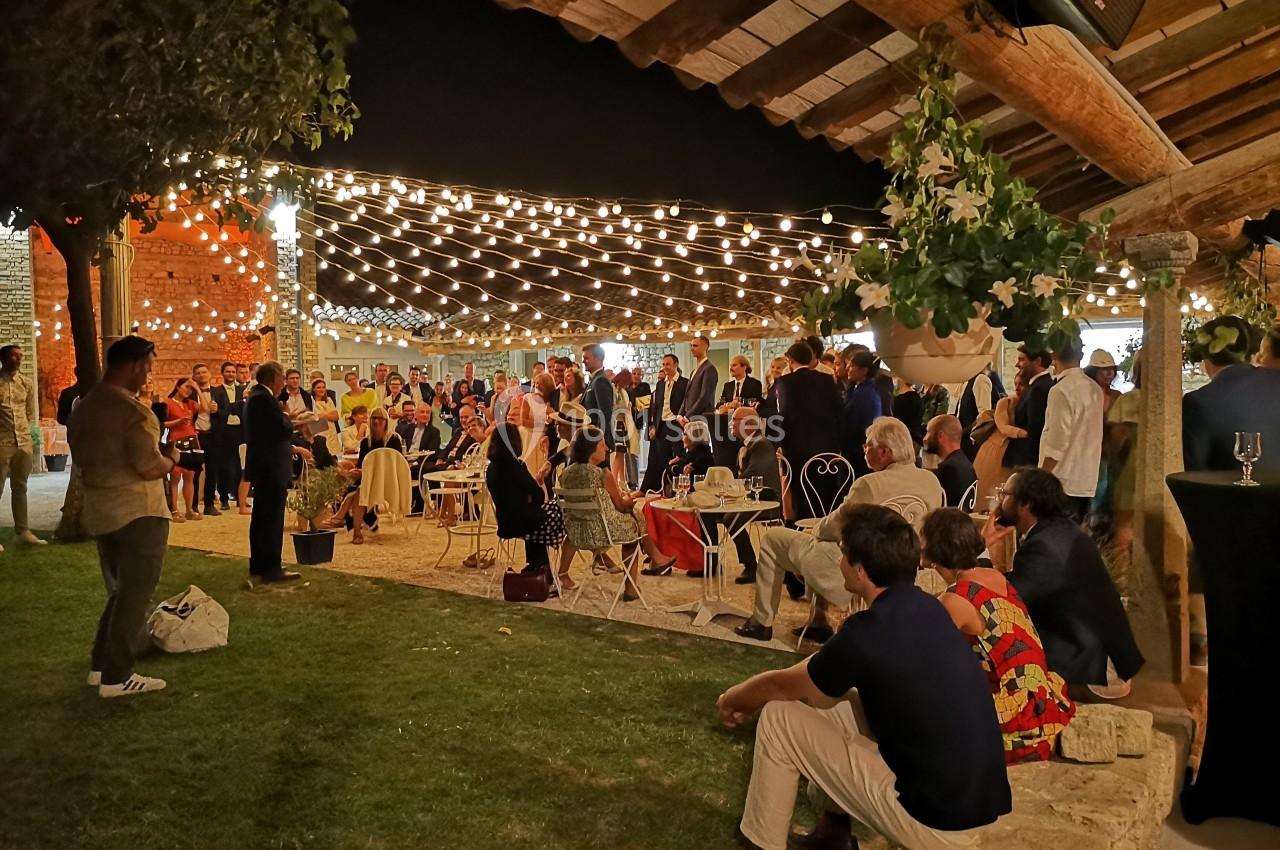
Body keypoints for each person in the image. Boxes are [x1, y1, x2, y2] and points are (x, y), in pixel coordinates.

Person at [720, 504, 1011, 850]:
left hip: (934, 821)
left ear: (859, 571)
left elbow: (779, 685)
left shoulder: (868, 632)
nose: (839, 561)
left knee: (779, 717)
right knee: (836, 705)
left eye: (842, 554)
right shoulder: (930, 607)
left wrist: (732, 701)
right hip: (970, 806)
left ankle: (761, 843)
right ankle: (833, 835)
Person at [736, 417, 943, 642]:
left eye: (868, 445)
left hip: (859, 572)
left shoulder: (870, 484)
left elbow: (835, 526)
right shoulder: (930, 481)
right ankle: (818, 620)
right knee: (827, 544)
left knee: (774, 538)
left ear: (884, 452)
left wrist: (812, 531)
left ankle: (762, 622)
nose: (864, 450)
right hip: (907, 571)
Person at [69, 336, 177, 698]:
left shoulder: (83, 407)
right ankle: (118, 676)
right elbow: (148, 465)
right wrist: (172, 460)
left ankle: (100, 667)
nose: (149, 372)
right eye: (147, 365)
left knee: (120, 593)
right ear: (133, 365)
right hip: (138, 511)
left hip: (102, 509)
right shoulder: (132, 411)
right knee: (136, 594)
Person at [922, 508, 1075, 763]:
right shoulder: (993, 576)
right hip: (1038, 698)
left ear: (932, 552)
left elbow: (920, 652)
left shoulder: (954, 600)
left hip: (1011, 712)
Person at [984, 469, 1144, 699]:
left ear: (1025, 503)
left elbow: (1002, 601)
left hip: (1094, 671)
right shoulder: (1058, 532)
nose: (999, 501)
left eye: (1004, 494)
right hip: (1094, 652)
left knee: (994, 653)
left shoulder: (1046, 547)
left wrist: (984, 552)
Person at [560, 426, 672, 600]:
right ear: (591, 449)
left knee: (634, 519)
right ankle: (632, 588)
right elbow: (620, 506)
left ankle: (657, 558)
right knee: (633, 528)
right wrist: (628, 500)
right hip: (602, 533)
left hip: (576, 533)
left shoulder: (566, 474)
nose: (607, 448)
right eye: (602, 445)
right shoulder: (602, 474)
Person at [1183, 314, 1280, 474]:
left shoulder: (1199, 402)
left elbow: (1196, 476)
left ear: (1206, 360)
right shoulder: (1276, 379)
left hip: (1237, 497)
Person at [486, 422, 572, 582]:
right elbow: (538, 495)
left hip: (505, 523)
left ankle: (536, 565)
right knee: (561, 509)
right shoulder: (516, 466)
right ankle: (546, 569)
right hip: (525, 522)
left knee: (540, 513)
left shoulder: (491, 469)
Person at [243, 362, 301, 582]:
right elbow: (280, 428)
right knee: (270, 519)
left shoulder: (257, 397)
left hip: (266, 465)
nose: (284, 382)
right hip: (270, 466)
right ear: (274, 377)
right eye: (283, 377)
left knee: (262, 517)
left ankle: (260, 565)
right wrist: (287, 416)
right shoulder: (262, 399)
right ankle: (270, 567)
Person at [775, 342, 841, 520]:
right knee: (825, 493)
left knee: (801, 494)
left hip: (797, 447)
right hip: (827, 447)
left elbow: (783, 416)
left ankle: (802, 528)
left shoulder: (784, 382)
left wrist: (782, 445)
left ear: (790, 360)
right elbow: (838, 411)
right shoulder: (827, 380)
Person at [1040, 338, 1103, 523]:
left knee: (1056, 537)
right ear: (1081, 355)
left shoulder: (1061, 390)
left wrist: (1041, 476)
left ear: (1054, 356)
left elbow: (1057, 442)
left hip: (1061, 480)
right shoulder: (1094, 388)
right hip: (1086, 477)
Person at [721, 407, 781, 585]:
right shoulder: (749, 445)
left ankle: (751, 565)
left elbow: (753, 477)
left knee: (731, 517)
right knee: (708, 512)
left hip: (765, 499)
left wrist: (729, 488)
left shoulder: (761, 444)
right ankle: (708, 560)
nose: (731, 423)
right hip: (750, 497)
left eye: (734, 420)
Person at [327, 407, 403, 544]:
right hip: (367, 480)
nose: (377, 421)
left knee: (361, 491)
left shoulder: (394, 439)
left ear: (386, 421)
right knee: (359, 489)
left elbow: (394, 466)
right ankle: (356, 531)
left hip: (387, 480)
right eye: (374, 418)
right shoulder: (365, 442)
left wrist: (368, 472)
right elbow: (361, 464)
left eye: (380, 419)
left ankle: (343, 515)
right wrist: (356, 472)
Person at [0, 344, 43, 547]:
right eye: (14, 356)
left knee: (21, 487)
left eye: (20, 356)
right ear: (3, 359)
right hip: (2, 442)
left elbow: (28, 412)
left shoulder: (26, 383)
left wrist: (27, 437)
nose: (18, 359)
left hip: (23, 442)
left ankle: (23, 530)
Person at [973, 374, 1026, 505]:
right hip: (996, 447)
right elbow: (1002, 426)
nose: (1018, 388)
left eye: (1022, 384)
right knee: (989, 486)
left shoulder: (1026, 403)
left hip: (1010, 450)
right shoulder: (1006, 402)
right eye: (1016, 384)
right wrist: (1022, 433)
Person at [640, 353, 686, 493]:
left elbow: (686, 404)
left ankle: (674, 489)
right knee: (656, 457)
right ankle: (651, 489)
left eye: (668, 364)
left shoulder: (685, 383)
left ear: (676, 365)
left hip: (676, 423)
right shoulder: (660, 384)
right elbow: (656, 406)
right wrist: (653, 425)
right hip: (662, 424)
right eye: (664, 364)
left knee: (677, 456)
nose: (665, 367)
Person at [1002, 346, 1052, 470]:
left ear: (1038, 361)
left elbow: (1034, 432)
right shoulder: (1033, 385)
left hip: (1029, 463)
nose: (1017, 364)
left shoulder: (1040, 389)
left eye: (1021, 360)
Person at [163, 378, 203, 523]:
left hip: (192, 440)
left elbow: (205, 409)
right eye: (186, 387)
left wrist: (197, 389)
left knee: (190, 476)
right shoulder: (167, 402)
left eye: (190, 389)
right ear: (178, 387)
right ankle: (174, 509)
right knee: (175, 476)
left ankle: (189, 509)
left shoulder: (190, 404)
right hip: (176, 440)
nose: (188, 391)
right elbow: (162, 423)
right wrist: (177, 422)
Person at [840, 348, 883, 476]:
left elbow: (854, 423)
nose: (848, 368)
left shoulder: (866, 394)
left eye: (852, 365)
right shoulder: (856, 389)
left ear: (864, 370)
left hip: (858, 450)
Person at [714, 354, 763, 467]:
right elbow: (719, 404)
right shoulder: (728, 386)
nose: (731, 368)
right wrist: (724, 407)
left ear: (744, 367)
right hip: (728, 426)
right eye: (730, 365)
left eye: (734, 365)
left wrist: (740, 404)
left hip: (746, 426)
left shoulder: (755, 384)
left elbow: (756, 402)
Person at [188, 363, 221, 515]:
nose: (202, 375)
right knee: (194, 470)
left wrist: (218, 410)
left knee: (212, 470)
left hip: (213, 435)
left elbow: (229, 411)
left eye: (204, 372)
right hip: (196, 434)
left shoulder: (218, 392)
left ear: (209, 374)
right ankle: (193, 505)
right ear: (194, 377)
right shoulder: (189, 394)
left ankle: (209, 504)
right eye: (198, 373)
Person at [208, 361, 241, 511]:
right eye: (228, 371)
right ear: (222, 373)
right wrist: (230, 411)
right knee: (224, 466)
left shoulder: (243, 390)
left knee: (241, 465)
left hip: (241, 431)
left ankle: (240, 497)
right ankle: (224, 498)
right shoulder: (216, 391)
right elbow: (214, 412)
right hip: (223, 431)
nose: (231, 374)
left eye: (233, 372)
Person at [926, 415, 976, 508]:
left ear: (941, 435)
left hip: (949, 520)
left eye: (928, 432)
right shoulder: (966, 463)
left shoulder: (949, 469)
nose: (925, 438)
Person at [954, 363, 996, 460]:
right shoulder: (966, 382)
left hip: (971, 440)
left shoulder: (980, 379)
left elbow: (984, 415)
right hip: (963, 438)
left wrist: (967, 433)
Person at [518, 372, 556, 475]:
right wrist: (542, 425)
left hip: (543, 437)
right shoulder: (528, 398)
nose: (537, 386)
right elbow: (523, 420)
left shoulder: (552, 401)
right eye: (536, 383)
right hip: (528, 437)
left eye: (541, 383)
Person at [580, 343, 615, 453]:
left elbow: (604, 413)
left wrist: (601, 439)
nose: (583, 361)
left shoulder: (600, 380)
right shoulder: (593, 380)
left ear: (598, 358)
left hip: (596, 440)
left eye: (586, 358)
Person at [678, 335, 718, 424]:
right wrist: (680, 414)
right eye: (691, 346)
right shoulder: (693, 371)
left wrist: (687, 416)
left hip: (702, 417)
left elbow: (704, 397)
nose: (692, 348)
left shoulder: (709, 368)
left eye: (695, 346)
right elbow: (687, 395)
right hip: (691, 417)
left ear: (705, 347)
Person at [609, 369, 640, 488]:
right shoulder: (612, 389)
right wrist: (625, 408)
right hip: (616, 423)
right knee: (619, 454)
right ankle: (614, 479)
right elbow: (613, 406)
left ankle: (621, 480)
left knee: (622, 453)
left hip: (623, 424)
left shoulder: (622, 391)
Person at [310, 379, 342, 457]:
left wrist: (324, 415)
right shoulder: (311, 402)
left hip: (331, 432)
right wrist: (328, 414)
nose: (321, 389)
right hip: (319, 432)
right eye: (318, 387)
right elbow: (314, 418)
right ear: (314, 389)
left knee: (334, 456)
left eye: (323, 387)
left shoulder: (329, 400)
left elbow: (336, 416)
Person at [1084, 349, 1121, 414]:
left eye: (1112, 368)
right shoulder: (1084, 396)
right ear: (1093, 372)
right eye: (1104, 369)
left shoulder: (1117, 396)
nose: (1109, 373)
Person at [891, 375, 925, 446]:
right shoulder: (917, 398)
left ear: (901, 379)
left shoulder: (902, 400)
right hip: (912, 441)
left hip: (901, 440)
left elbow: (896, 423)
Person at [756, 355, 787, 420]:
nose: (774, 370)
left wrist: (759, 411)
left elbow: (780, 410)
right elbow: (769, 404)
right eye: (772, 367)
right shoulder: (773, 385)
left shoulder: (783, 386)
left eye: (778, 368)